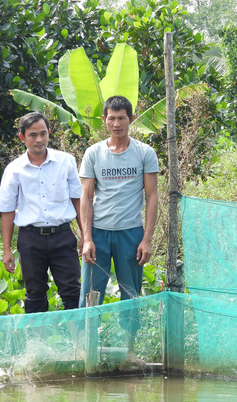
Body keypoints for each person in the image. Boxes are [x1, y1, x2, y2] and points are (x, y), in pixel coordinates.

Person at [79, 95, 159, 358]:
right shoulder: (93, 153)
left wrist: (146, 239)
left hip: (130, 234)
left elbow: (152, 196)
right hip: (99, 235)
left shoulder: (144, 153)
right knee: (91, 292)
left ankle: (129, 352)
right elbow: (86, 197)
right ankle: (86, 352)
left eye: (122, 118)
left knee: (131, 294)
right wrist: (87, 238)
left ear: (131, 120)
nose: (116, 123)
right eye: (111, 118)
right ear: (104, 120)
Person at [0, 112, 83, 313]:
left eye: (43, 134)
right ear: (22, 138)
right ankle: (37, 343)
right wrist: (7, 248)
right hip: (30, 239)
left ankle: (79, 341)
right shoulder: (14, 169)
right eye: (33, 135)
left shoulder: (66, 161)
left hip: (62, 235)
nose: (39, 140)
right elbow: (7, 210)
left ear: (49, 133)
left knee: (72, 290)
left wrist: (85, 235)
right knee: (34, 292)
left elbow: (77, 200)